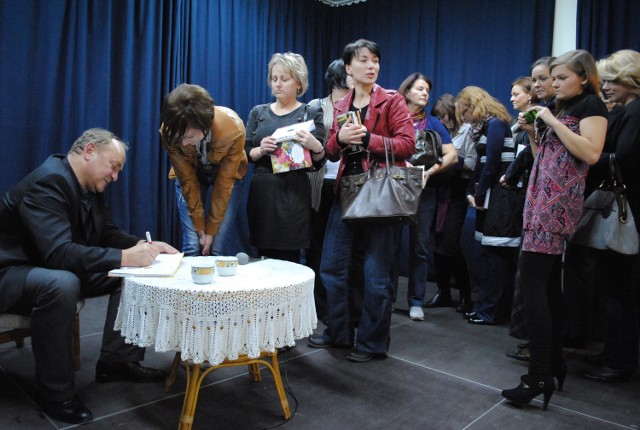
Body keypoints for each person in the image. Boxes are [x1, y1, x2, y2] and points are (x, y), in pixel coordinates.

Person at [0, 128, 178, 424]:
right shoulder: (48, 182)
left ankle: (117, 362)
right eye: (114, 166)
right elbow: (58, 254)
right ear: (89, 151)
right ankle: (55, 394)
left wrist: (147, 248)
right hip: (10, 273)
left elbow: (107, 233)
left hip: (43, 267)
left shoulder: (88, 186)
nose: (115, 176)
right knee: (61, 284)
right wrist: (124, 256)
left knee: (131, 276)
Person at [501, 50, 607, 409]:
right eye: (553, 78)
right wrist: (535, 131)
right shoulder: (563, 109)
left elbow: (591, 154)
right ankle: (554, 365)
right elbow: (546, 155)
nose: (554, 84)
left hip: (556, 208)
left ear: (582, 76)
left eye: (561, 78)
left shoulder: (591, 105)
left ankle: (538, 375)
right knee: (545, 287)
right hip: (539, 201)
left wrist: (552, 121)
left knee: (533, 287)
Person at [307, 39, 414, 362]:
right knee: (332, 268)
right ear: (348, 67)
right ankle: (339, 333)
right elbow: (329, 151)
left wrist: (370, 139)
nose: (372, 65)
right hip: (347, 191)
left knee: (377, 275)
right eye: (364, 60)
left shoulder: (392, 101)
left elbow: (407, 145)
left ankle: (371, 343)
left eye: (376, 60)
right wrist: (338, 139)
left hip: (382, 192)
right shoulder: (341, 106)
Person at [582, 49, 640, 382]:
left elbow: (627, 158)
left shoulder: (635, 111)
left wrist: (587, 154)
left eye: (611, 80)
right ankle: (616, 355)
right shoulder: (629, 110)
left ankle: (619, 361)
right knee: (617, 289)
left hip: (627, 211)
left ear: (630, 80)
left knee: (620, 290)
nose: (605, 87)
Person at [245, 52, 326, 262]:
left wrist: (314, 145)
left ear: (299, 83)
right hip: (263, 193)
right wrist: (260, 149)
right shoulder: (258, 112)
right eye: (274, 79)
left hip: (293, 193)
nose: (277, 84)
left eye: (284, 79)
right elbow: (243, 153)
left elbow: (319, 159)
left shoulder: (311, 112)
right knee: (262, 259)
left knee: (289, 259)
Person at [457, 86, 524, 326]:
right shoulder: (489, 126)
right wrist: (472, 190)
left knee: (496, 257)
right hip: (492, 194)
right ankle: (487, 307)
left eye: (463, 110)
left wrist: (479, 191)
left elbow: (492, 164)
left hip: (501, 197)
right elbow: (483, 165)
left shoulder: (496, 124)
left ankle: (492, 310)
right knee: (489, 256)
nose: (463, 116)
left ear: (472, 104)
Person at [160, 83, 248, 257]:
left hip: (227, 178)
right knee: (193, 245)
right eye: (179, 138)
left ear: (205, 125)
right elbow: (187, 179)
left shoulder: (234, 130)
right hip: (192, 176)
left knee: (216, 247)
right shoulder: (169, 132)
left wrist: (211, 229)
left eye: (189, 137)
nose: (183, 143)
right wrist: (200, 226)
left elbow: (224, 184)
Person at [398, 73, 457, 321]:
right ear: (407, 90)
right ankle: (386, 297)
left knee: (420, 247)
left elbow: (452, 155)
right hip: (395, 188)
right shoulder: (394, 118)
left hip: (424, 191)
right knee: (388, 244)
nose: (424, 94)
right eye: (420, 89)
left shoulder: (433, 123)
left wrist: (429, 172)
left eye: (427, 90)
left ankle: (416, 301)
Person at [307, 59, 353, 324]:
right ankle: (318, 306)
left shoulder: (359, 107)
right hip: (319, 184)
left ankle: (340, 307)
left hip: (348, 184)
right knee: (317, 247)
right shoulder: (316, 106)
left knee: (343, 251)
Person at [431, 94, 477, 314]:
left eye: (444, 116)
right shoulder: (442, 133)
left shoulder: (467, 130)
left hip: (457, 191)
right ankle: (443, 292)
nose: (442, 121)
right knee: (436, 243)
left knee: (450, 244)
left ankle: (466, 293)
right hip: (439, 191)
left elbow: (470, 163)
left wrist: (448, 161)